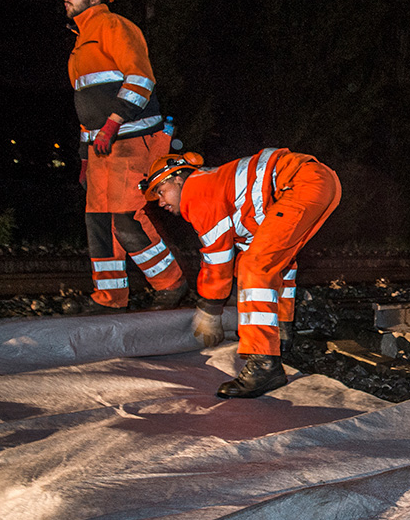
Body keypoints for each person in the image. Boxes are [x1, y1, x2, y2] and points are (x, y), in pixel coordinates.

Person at [138, 148, 341, 398]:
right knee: (273, 261)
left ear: (178, 178)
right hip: (317, 180)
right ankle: (281, 333)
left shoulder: (196, 192)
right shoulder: (221, 186)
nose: (160, 201)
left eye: (160, 190)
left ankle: (263, 364)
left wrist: (210, 309)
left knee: (255, 266)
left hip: (300, 182)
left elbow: (217, 259)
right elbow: (246, 243)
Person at [53, 0, 186, 314]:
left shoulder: (113, 26)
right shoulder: (80, 44)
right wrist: (84, 155)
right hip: (102, 149)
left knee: (127, 216)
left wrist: (114, 123)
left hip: (133, 139)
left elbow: (141, 79)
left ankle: (171, 283)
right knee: (99, 222)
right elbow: (86, 109)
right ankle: (110, 299)